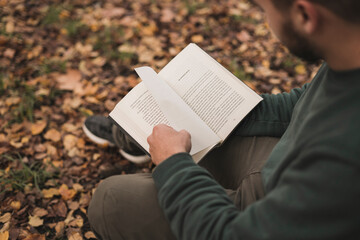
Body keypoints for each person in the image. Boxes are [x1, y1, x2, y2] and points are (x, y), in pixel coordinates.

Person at [85, 0, 360, 239]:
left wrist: (173, 164)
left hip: (269, 212)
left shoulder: (341, 161)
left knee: (109, 201)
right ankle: (135, 135)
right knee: (202, 136)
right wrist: (226, 109)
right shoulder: (347, 53)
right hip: (282, 164)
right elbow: (303, 103)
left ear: (305, 15)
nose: (268, 23)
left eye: (265, 10)